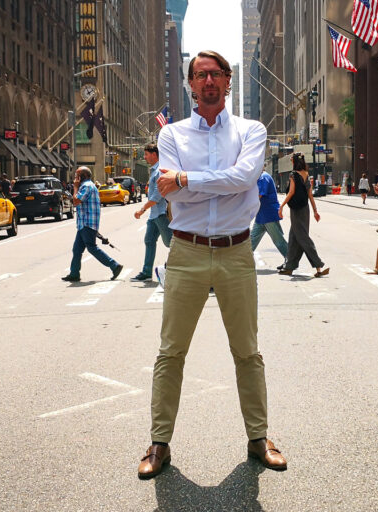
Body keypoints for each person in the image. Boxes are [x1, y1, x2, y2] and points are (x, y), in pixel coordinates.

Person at [137, 50, 286, 480]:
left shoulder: (250, 130)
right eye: (200, 75)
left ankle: (259, 439)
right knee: (171, 352)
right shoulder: (172, 136)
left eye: (216, 74)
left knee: (247, 352)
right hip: (186, 252)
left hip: (237, 251)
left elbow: (244, 179)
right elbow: (172, 194)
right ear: (190, 84)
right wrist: (193, 185)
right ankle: (159, 443)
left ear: (227, 80)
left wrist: (186, 179)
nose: (208, 81)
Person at [61, 167, 123, 282]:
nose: (75, 178)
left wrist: (75, 187)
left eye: (77, 175)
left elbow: (76, 201)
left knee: (92, 248)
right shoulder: (87, 186)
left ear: (82, 176)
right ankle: (74, 273)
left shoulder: (86, 186)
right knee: (77, 250)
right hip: (83, 224)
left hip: (87, 223)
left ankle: (114, 266)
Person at [278, 152, 329, 278]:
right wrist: (315, 211)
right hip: (305, 209)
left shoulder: (293, 175)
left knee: (303, 238)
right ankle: (289, 267)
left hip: (296, 210)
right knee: (293, 238)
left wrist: (282, 206)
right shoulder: (306, 174)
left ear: (294, 162)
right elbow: (310, 195)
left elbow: (291, 192)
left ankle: (318, 266)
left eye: (291, 159)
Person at [132, 143, 172, 281]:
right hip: (154, 215)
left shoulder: (159, 171)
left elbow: (157, 196)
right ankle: (146, 272)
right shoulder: (154, 171)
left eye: (146, 154)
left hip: (161, 214)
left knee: (171, 243)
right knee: (149, 241)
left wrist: (141, 210)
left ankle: (176, 269)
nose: (145, 157)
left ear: (154, 154)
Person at [250, 171, 288, 262]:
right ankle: (242, 261)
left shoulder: (263, 177)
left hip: (269, 215)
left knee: (278, 240)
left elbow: (259, 195)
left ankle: (290, 260)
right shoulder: (259, 177)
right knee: (252, 239)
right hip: (261, 216)